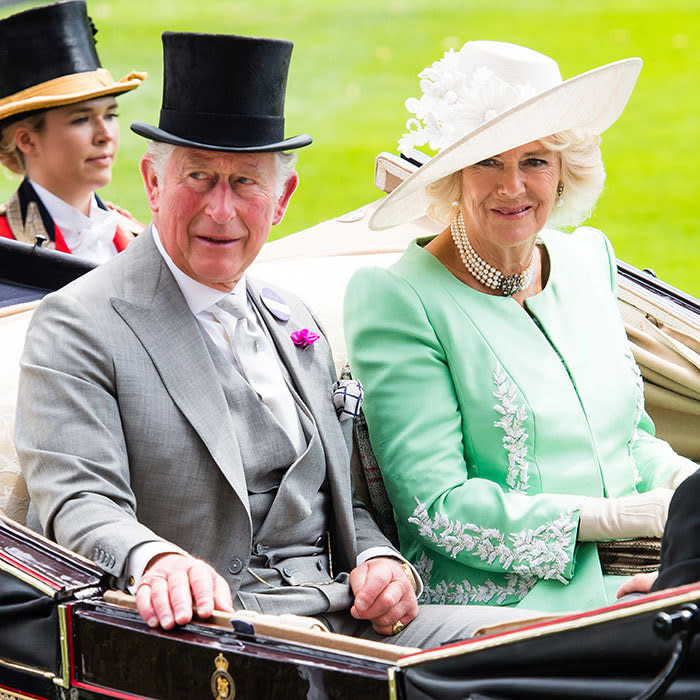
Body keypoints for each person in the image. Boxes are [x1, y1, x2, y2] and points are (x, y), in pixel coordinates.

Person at [15, 31, 537, 647]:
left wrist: (381, 564)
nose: (220, 210)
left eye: (245, 183)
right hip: (215, 637)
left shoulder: (296, 320)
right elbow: (75, 498)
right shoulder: (77, 323)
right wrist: (156, 561)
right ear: (153, 184)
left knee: (564, 652)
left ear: (282, 198)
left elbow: (340, 500)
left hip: (350, 619)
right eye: (200, 178)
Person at [343, 40, 698, 614]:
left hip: (644, 570)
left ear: (562, 172)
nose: (512, 186)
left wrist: (687, 490)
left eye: (534, 161)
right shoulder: (398, 299)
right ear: (454, 176)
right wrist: (607, 518)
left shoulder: (588, 260)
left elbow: (629, 439)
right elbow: (437, 508)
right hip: (510, 607)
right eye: (488, 161)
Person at [0, 0, 145, 263]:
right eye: (81, 119)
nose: (105, 134)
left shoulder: (138, 237)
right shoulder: (5, 248)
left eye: (110, 115)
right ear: (27, 140)